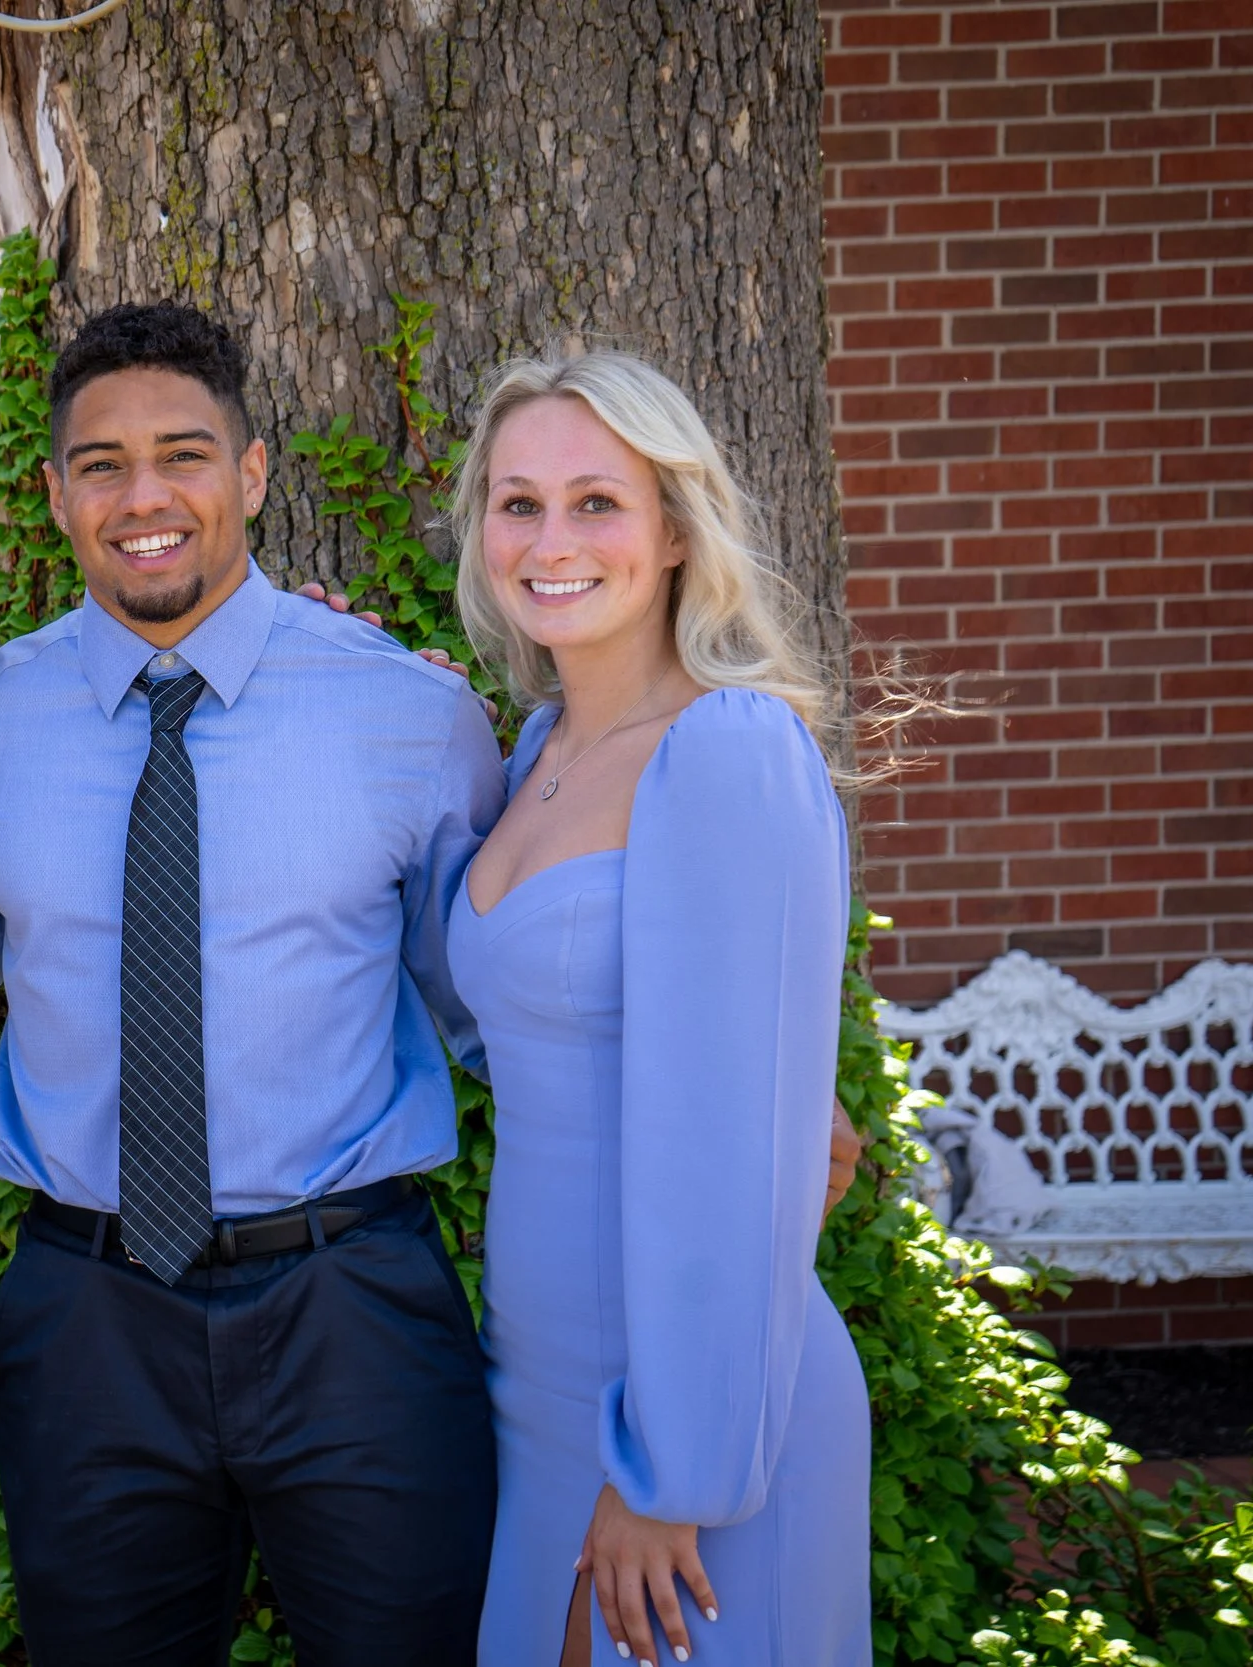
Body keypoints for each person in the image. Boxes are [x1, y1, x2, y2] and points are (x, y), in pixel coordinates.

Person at [0, 303, 505, 1666]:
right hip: (88, 1313)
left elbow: (499, 1012)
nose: (146, 497)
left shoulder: (411, 717)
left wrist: (746, 1111)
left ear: (251, 475)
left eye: (185, 454)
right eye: (102, 464)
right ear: (56, 492)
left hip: (353, 1299)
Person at [439, 348, 870, 1667]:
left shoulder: (729, 752)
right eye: (518, 503)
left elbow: (779, 1153)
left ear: (676, 528)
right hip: (539, 1393)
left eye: (596, 502)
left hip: (689, 1429)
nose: (551, 540)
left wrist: (670, 1467)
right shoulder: (531, 755)